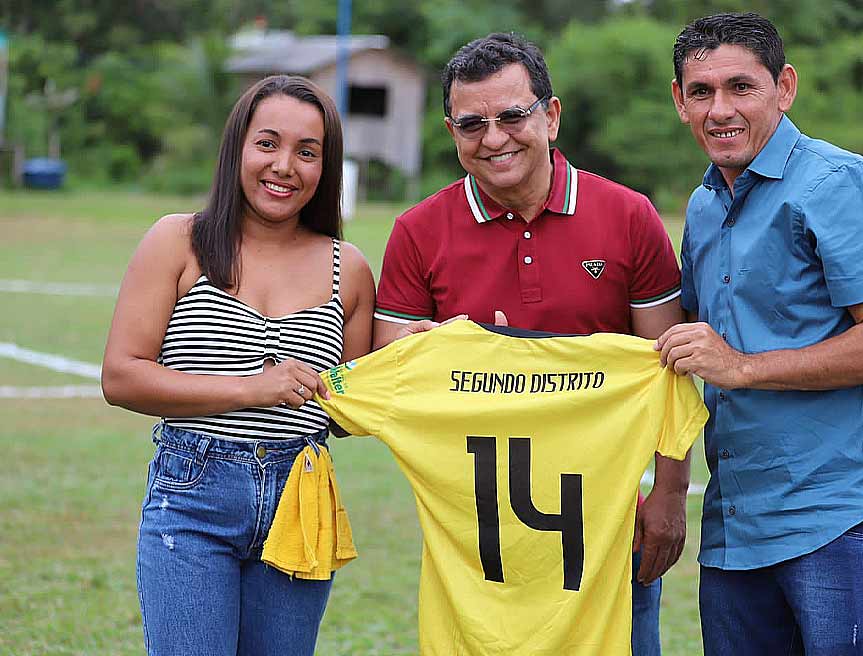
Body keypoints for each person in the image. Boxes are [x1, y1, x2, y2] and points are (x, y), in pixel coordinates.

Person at [372, 32, 688, 655]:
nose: (493, 138)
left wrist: (672, 495)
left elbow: (668, 370)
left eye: (512, 115)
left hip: (605, 535)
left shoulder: (628, 217)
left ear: (551, 115)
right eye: (472, 124)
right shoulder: (417, 232)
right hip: (477, 543)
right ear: (450, 130)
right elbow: (392, 373)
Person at [658, 12, 863, 656]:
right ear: (679, 101)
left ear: (785, 87)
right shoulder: (702, 205)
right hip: (735, 525)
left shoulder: (838, 183)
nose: (719, 109)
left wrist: (743, 367)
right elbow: (684, 347)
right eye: (702, 92)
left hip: (841, 518)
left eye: (740, 87)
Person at [101, 75, 375, 655]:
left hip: (300, 501)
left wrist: (413, 357)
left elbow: (349, 414)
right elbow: (121, 375)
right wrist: (252, 388)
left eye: (307, 152)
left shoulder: (346, 268)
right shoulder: (179, 240)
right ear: (238, 149)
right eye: (268, 143)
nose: (284, 166)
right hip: (194, 497)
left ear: (326, 168)